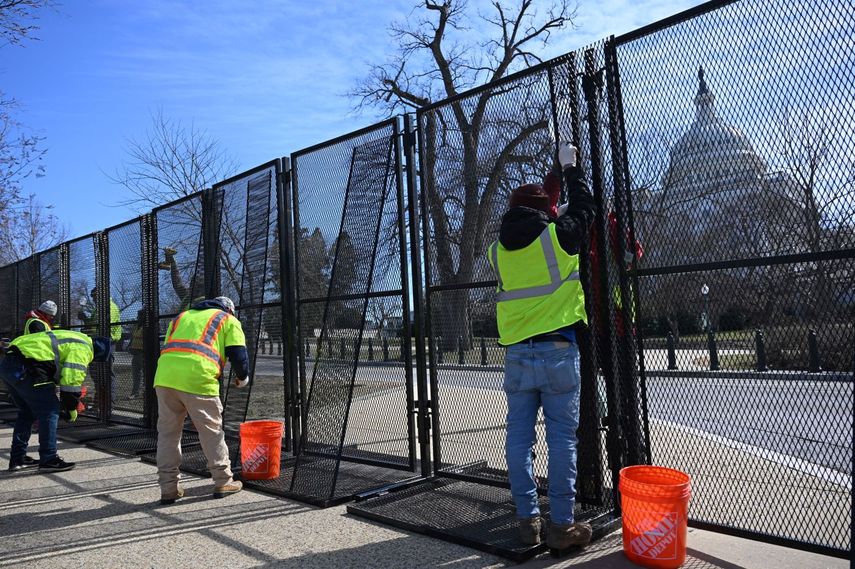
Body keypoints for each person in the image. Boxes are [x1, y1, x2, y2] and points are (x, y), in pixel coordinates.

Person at [487, 141, 595, 550]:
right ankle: (562, 526)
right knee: (562, 440)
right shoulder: (558, 239)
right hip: (558, 351)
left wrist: (555, 210)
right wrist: (570, 169)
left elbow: (546, 225)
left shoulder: (497, 252)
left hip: (517, 354)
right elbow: (585, 210)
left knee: (518, 439)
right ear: (545, 214)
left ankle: (526, 520)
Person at [153, 296, 249, 505]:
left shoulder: (180, 318)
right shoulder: (227, 319)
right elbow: (238, 354)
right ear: (229, 309)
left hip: (165, 378)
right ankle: (223, 480)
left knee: (168, 434)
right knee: (211, 431)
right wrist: (242, 378)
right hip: (199, 378)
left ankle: (169, 488)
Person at [0, 329, 112, 472]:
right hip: (28, 368)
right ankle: (49, 459)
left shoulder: (76, 338)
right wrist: (72, 409)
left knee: (27, 412)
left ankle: (18, 458)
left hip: (10, 365)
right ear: (97, 354)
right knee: (50, 411)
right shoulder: (84, 348)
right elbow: (71, 382)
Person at [79, 287, 122, 405]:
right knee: (96, 374)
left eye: (95, 297)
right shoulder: (99, 308)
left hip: (107, 343)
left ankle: (109, 403)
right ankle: (99, 402)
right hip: (97, 343)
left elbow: (105, 326)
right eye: (92, 297)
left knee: (107, 374)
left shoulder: (110, 307)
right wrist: (86, 319)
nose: (93, 299)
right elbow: (94, 326)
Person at [127, 309, 145, 399]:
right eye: (138, 316)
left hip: (144, 354)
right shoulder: (136, 325)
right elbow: (132, 337)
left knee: (146, 375)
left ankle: (146, 392)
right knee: (136, 375)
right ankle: (135, 393)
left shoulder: (147, 326)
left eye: (140, 316)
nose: (138, 318)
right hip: (135, 353)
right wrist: (130, 346)